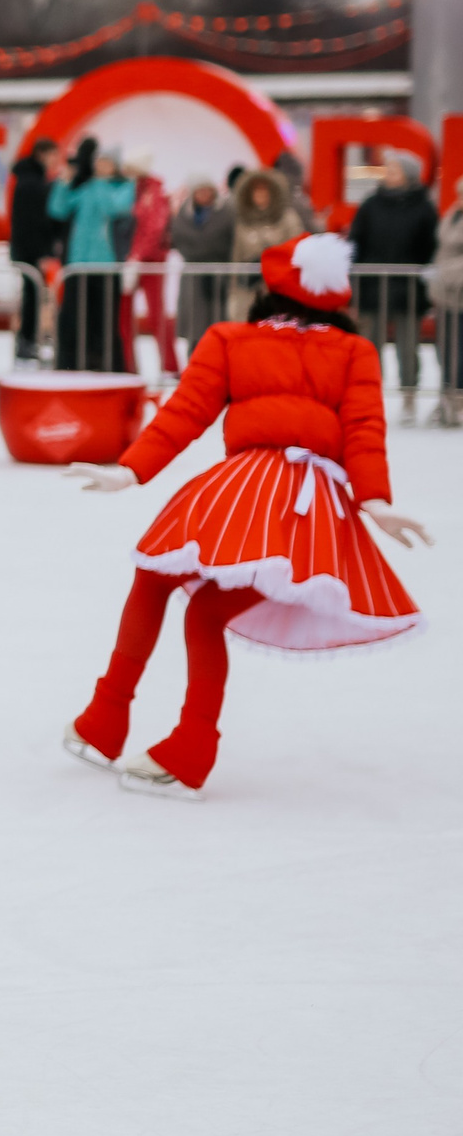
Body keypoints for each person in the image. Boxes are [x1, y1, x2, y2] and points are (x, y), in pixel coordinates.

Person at [61, 233, 430, 797]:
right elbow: (364, 433)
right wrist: (374, 501)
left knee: (156, 577)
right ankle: (184, 744)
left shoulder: (231, 338)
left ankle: (109, 716)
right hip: (308, 506)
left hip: (243, 489)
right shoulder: (356, 353)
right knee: (207, 612)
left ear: (270, 290)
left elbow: (185, 412)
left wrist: (131, 470)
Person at [346, 151, 440, 425]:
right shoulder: (371, 204)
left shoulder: (423, 207)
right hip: (372, 288)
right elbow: (356, 241)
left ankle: (409, 396)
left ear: (408, 175)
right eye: (388, 168)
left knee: (407, 347)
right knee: (368, 348)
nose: (389, 173)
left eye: (395, 169)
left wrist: (423, 271)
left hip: (408, 289)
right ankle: (368, 399)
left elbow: (429, 246)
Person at [48, 139, 133, 372]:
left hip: (106, 265)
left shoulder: (123, 187)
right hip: (78, 264)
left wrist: (101, 184)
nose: (101, 167)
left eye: (106, 162)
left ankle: (106, 364)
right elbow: (59, 208)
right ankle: (74, 363)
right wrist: (63, 184)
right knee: (76, 318)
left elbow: (114, 209)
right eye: (99, 162)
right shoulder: (86, 188)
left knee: (104, 320)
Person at [119, 148, 179, 381]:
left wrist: (136, 257)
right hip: (132, 261)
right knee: (123, 316)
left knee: (156, 315)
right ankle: (127, 366)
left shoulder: (154, 192)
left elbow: (153, 229)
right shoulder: (132, 190)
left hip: (150, 261)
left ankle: (169, 366)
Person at [7, 138, 63, 364]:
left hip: (26, 250)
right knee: (32, 296)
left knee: (32, 296)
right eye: (52, 155)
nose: (55, 161)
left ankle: (27, 340)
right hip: (30, 251)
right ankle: (26, 340)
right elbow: (32, 223)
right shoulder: (32, 183)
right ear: (42, 154)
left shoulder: (30, 179)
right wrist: (41, 252)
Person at [168, 173, 233, 349]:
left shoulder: (226, 212)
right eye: (200, 191)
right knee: (194, 325)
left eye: (208, 190)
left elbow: (229, 239)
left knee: (218, 321)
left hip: (219, 275)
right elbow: (178, 238)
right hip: (193, 276)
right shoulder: (184, 213)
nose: (204, 195)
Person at [226, 166, 298, 321]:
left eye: (265, 191)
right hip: (248, 289)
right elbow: (236, 257)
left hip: (278, 289)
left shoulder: (287, 219)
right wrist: (233, 293)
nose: (261, 195)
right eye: (257, 191)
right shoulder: (244, 221)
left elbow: (296, 249)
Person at [430, 192, 463, 429]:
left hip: (457, 286)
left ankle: (458, 400)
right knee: (446, 347)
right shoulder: (452, 215)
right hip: (447, 293)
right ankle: (449, 397)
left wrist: (446, 271)